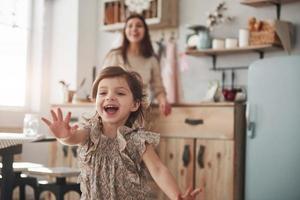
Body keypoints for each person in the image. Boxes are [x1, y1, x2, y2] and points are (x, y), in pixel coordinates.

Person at [42, 66, 200, 200]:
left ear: (135, 104)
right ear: (94, 100)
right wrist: (64, 136)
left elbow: (158, 170)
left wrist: (176, 196)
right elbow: (73, 138)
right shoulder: (90, 132)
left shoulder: (137, 139)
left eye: (120, 93)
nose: (110, 96)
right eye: (103, 93)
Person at [102, 14, 171, 116]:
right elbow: (103, 84)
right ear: (125, 31)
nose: (134, 29)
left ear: (145, 31)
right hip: (115, 111)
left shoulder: (152, 60)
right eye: (130, 26)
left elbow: (158, 88)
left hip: (141, 113)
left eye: (139, 26)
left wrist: (163, 100)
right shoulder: (114, 55)